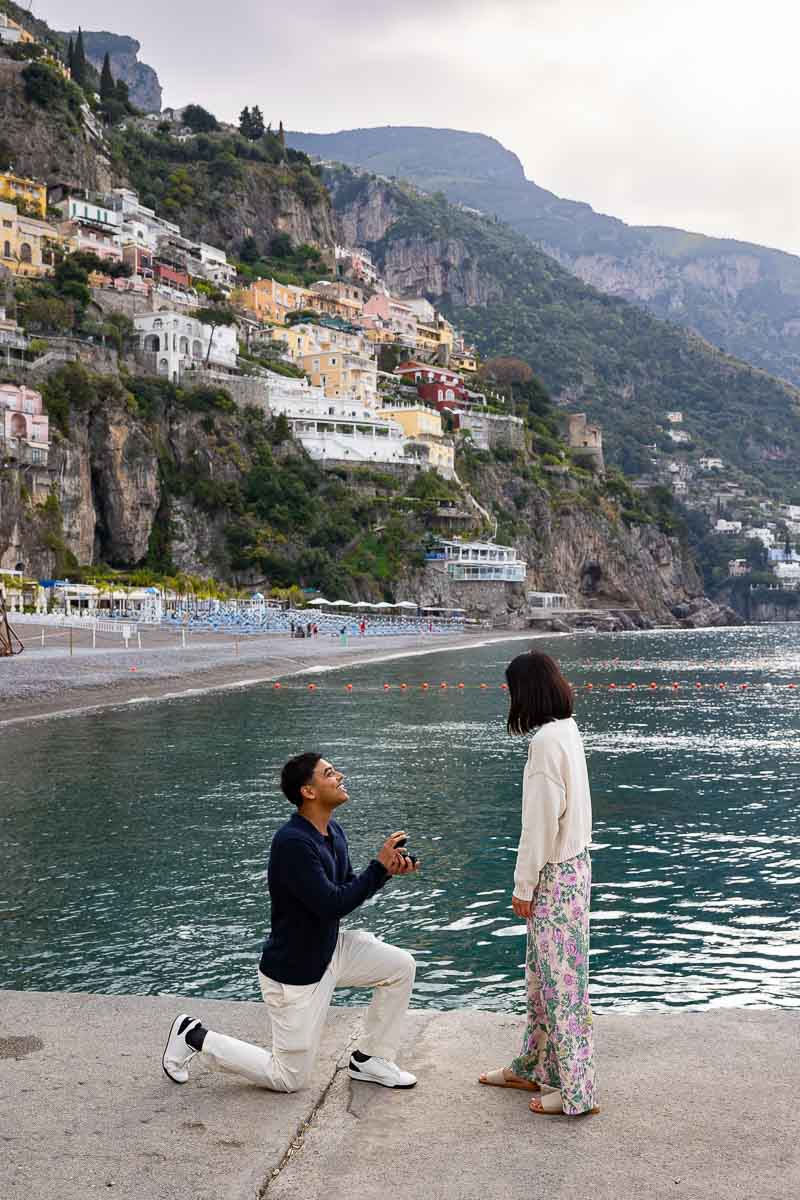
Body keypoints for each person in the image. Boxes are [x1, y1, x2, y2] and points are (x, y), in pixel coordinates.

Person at [163, 753, 419, 1092]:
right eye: (329, 773)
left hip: (329, 950)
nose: (340, 776)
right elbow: (330, 905)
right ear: (308, 791)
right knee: (288, 1078)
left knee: (400, 967)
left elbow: (343, 890)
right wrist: (377, 868)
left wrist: (386, 871)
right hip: (297, 971)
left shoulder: (332, 832)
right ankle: (194, 1036)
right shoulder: (292, 843)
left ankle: (370, 1059)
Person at [479, 651, 598, 1117]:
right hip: (575, 867)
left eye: (512, 690)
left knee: (562, 987)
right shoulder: (567, 730)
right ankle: (533, 1065)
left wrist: (523, 886)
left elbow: (540, 825)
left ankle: (577, 1091)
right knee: (543, 981)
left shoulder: (547, 741)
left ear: (525, 691)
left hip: (554, 873)